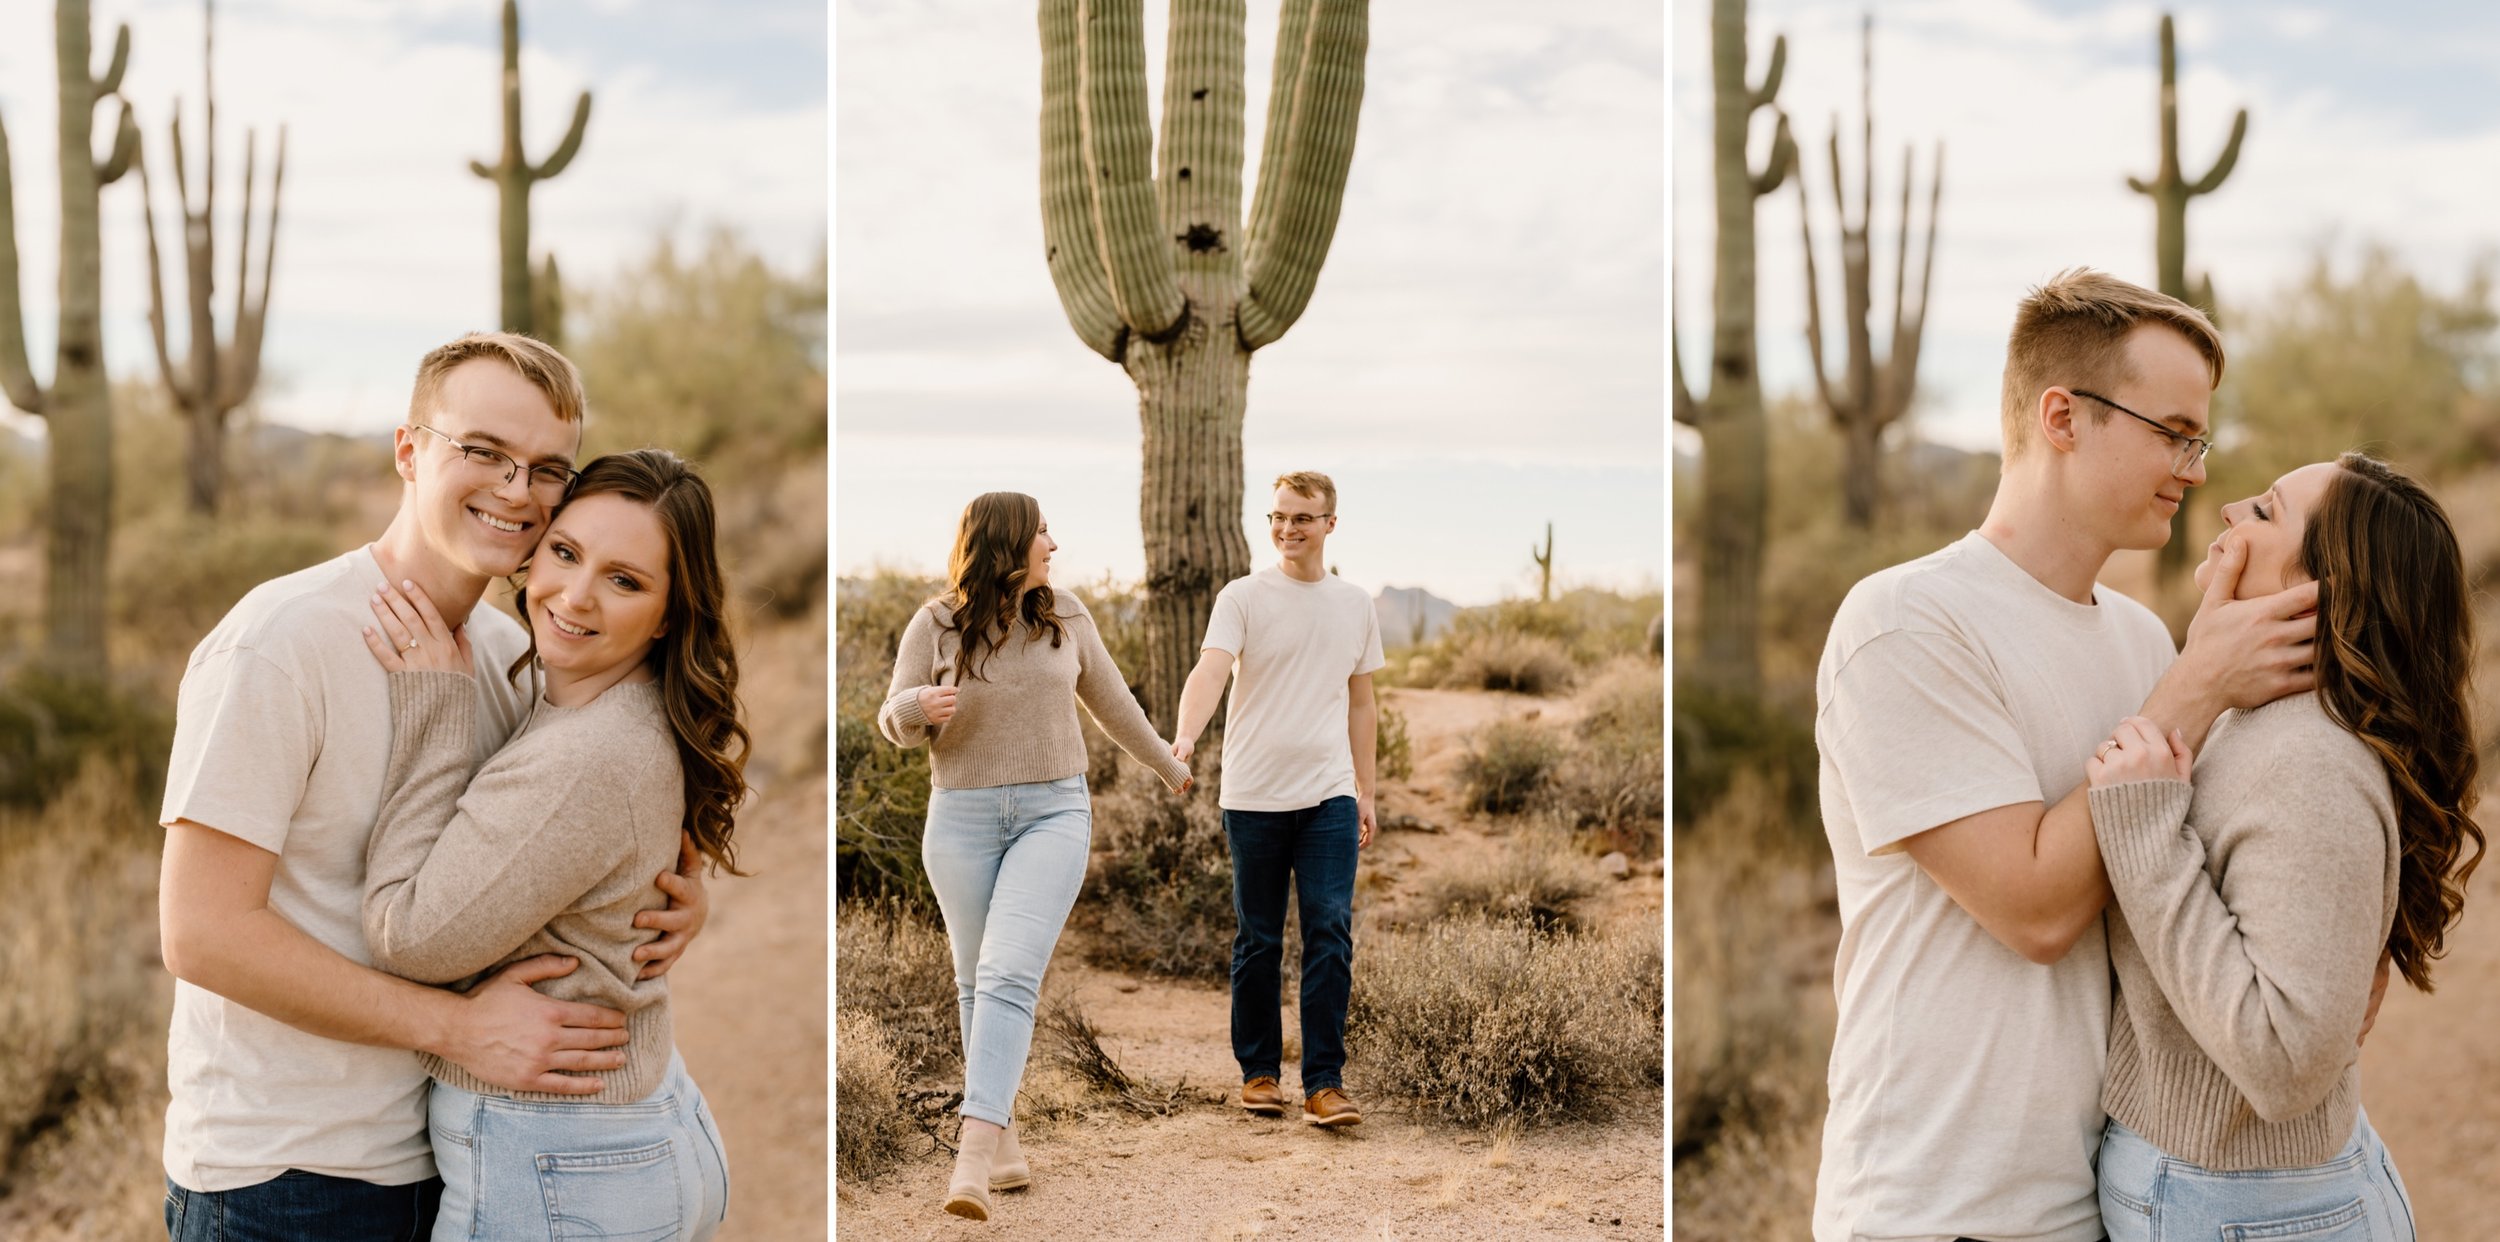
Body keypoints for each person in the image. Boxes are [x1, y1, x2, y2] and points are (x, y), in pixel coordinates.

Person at [1810, 270, 2336, 1242]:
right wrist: (2200, 685)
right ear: (2062, 416)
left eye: (2200, 438)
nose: (2195, 468)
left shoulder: (2143, 643)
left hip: (2103, 1198)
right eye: (2172, 432)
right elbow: (2036, 909)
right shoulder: (1903, 624)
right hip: (1935, 1208)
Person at [157, 333, 710, 1240]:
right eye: (483, 452)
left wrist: (665, 906)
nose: (513, 489)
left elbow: (546, 841)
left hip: (457, 1158)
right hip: (289, 1176)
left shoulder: (517, 655)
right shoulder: (280, 642)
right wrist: (456, 1030)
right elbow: (202, 934)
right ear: (411, 451)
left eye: (545, 470)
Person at [2083, 453, 2476, 1239]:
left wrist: (2145, 830)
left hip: (2245, 1205)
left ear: (2320, 594)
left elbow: (2284, 1060)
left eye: (2264, 512)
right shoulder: (2255, 717)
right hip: (2230, 1194)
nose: (2229, 511)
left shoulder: (2312, 762)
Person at [358, 449, 744, 1240]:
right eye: (565, 553)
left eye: (624, 580)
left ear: (669, 613)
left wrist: (434, 710)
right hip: (627, 1140)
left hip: (560, 1165)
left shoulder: (587, 755)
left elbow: (407, 937)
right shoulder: (608, 705)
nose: (574, 596)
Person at [877, 492, 1192, 1221]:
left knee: (1008, 972)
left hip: (1053, 812)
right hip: (960, 816)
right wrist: (920, 707)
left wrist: (1167, 766)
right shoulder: (936, 623)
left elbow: (1114, 705)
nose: (1053, 542)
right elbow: (892, 717)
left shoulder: (1066, 614)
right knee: (973, 980)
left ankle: (972, 1156)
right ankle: (1007, 1139)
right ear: (1006, 542)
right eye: (1041, 530)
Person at [1171, 470, 1386, 1130]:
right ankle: (1260, 1074)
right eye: (1278, 516)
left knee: (1329, 931)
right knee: (1259, 939)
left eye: (1302, 517)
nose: (1287, 528)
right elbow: (1210, 671)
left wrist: (1366, 790)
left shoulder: (1354, 604)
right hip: (1253, 793)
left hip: (1328, 795)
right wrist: (1182, 740)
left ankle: (1325, 1083)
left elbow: (1362, 700)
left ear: (1329, 524)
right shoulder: (1242, 597)